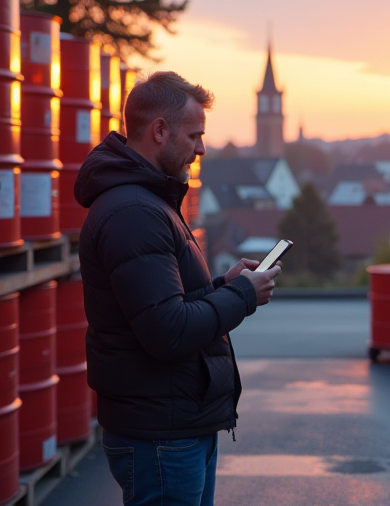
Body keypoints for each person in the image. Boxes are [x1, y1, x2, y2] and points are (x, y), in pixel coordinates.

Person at [74, 71, 281, 506]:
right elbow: (167, 330)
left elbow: (167, 305)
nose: (202, 148)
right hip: (161, 435)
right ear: (160, 130)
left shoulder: (149, 201)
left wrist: (223, 285)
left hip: (176, 425)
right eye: (194, 135)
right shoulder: (134, 212)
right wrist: (243, 296)